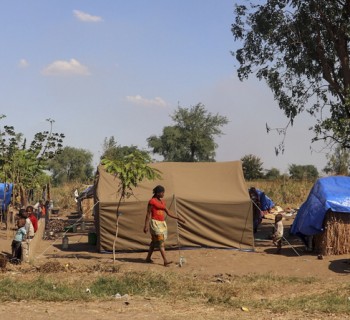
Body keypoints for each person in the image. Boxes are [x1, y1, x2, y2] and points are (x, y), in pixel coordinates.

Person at [143, 185, 185, 267]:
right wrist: (146, 225)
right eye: (162, 192)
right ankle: (165, 261)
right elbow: (148, 214)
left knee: (154, 242)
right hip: (155, 224)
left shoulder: (162, 202)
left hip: (162, 223)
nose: (163, 194)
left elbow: (169, 213)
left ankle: (148, 258)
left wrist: (179, 218)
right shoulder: (152, 201)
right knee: (160, 242)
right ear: (158, 193)